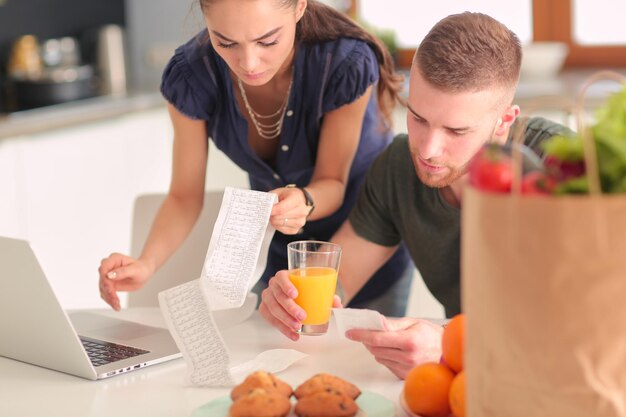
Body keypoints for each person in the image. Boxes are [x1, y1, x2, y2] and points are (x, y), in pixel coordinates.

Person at [259, 12, 571, 379]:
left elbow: (596, 327)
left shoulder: (566, 169)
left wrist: (452, 347)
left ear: (505, 120)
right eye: (418, 118)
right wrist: (292, 298)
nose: (428, 150)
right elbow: (337, 283)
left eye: (456, 130)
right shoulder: (397, 169)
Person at [97, 0, 413, 316]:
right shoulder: (191, 76)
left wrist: (304, 199)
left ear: (300, 6)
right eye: (226, 42)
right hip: (281, 264)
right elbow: (183, 197)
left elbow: (332, 182)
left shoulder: (343, 62)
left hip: (367, 244)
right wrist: (146, 263)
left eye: (267, 41)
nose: (248, 63)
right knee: (284, 360)